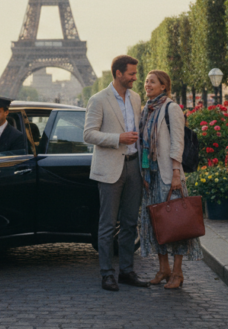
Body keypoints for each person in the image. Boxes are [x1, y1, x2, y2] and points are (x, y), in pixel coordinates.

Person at [83, 55, 148, 292]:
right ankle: (106, 274)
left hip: (134, 166)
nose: (135, 78)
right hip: (111, 167)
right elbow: (88, 134)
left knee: (131, 223)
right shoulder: (98, 99)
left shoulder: (136, 98)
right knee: (108, 225)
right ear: (118, 73)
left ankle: (127, 271)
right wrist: (117, 139)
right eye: (131, 74)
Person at [137, 70, 201, 289]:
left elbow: (177, 142)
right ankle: (163, 269)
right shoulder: (146, 110)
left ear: (164, 86)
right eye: (146, 81)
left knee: (176, 223)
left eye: (152, 81)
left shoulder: (171, 108)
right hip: (150, 176)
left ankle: (178, 273)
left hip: (167, 174)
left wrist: (176, 172)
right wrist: (144, 171)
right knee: (157, 224)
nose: (147, 84)